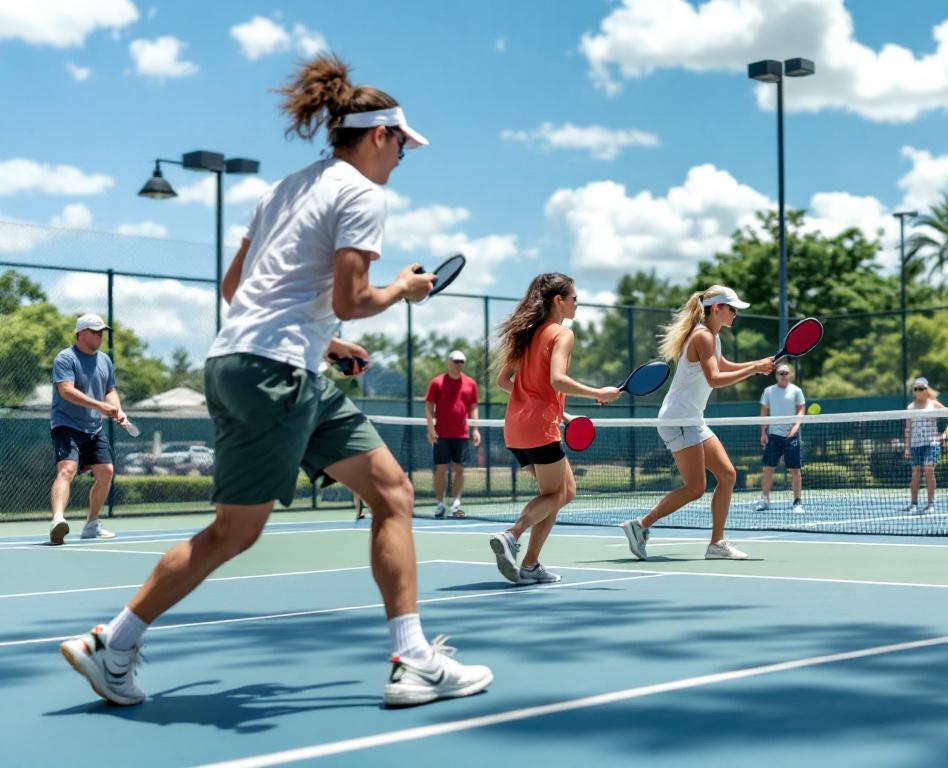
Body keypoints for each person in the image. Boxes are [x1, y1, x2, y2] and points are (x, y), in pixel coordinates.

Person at [59, 55, 492, 708]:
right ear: (378, 136)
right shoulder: (363, 193)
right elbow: (351, 295)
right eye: (403, 144)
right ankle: (111, 644)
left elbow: (237, 289)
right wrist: (402, 289)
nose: (404, 156)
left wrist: (327, 338)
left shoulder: (284, 188)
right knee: (234, 532)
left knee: (394, 492)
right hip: (276, 373)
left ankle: (413, 657)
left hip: (248, 363)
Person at [620, 286, 774, 561]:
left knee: (727, 475)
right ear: (716, 308)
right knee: (695, 488)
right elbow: (715, 379)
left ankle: (717, 544)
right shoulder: (702, 336)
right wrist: (753, 369)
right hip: (679, 419)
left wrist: (756, 364)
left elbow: (723, 366)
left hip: (692, 418)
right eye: (732, 309)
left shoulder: (712, 338)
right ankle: (640, 526)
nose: (735, 314)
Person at [490, 273, 619, 585]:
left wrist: (559, 411)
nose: (577, 304)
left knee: (565, 492)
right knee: (556, 493)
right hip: (538, 428)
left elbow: (504, 381)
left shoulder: (526, 334)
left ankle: (531, 563)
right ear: (558, 300)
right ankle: (512, 535)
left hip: (516, 428)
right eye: (574, 298)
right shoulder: (562, 334)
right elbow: (557, 380)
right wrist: (597, 392)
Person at [48, 313, 127, 544]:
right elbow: (66, 391)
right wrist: (100, 405)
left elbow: (110, 390)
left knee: (106, 472)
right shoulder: (65, 358)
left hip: (93, 427)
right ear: (80, 333)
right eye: (94, 331)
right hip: (66, 424)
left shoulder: (105, 360)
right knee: (67, 470)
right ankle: (58, 520)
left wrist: (117, 408)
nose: (99, 335)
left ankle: (92, 524)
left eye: (101, 331)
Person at [425, 349, 481, 518]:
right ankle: (440, 504)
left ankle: (456, 504)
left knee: (459, 470)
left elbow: (473, 407)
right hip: (441, 434)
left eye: (461, 362)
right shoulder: (437, 382)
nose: (458, 365)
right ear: (449, 363)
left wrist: (475, 428)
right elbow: (428, 406)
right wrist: (431, 428)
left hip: (462, 435)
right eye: (456, 361)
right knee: (441, 470)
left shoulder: (470, 383)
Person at [755, 363, 806, 514]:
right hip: (773, 436)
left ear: (790, 374)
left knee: (795, 470)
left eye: (786, 372)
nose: (783, 375)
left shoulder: (797, 391)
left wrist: (795, 428)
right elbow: (764, 412)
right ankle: (764, 500)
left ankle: (797, 502)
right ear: (776, 375)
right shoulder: (769, 391)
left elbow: (801, 410)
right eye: (780, 372)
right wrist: (763, 432)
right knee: (768, 469)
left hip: (792, 436)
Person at [904, 377, 948, 515]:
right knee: (915, 474)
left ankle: (930, 504)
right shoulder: (910, 408)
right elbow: (908, 429)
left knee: (928, 470)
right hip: (915, 445)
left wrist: (945, 434)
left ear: (926, 390)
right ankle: (913, 504)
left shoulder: (934, 404)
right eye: (916, 389)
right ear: (913, 391)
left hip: (931, 444)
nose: (918, 391)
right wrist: (907, 447)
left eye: (921, 388)